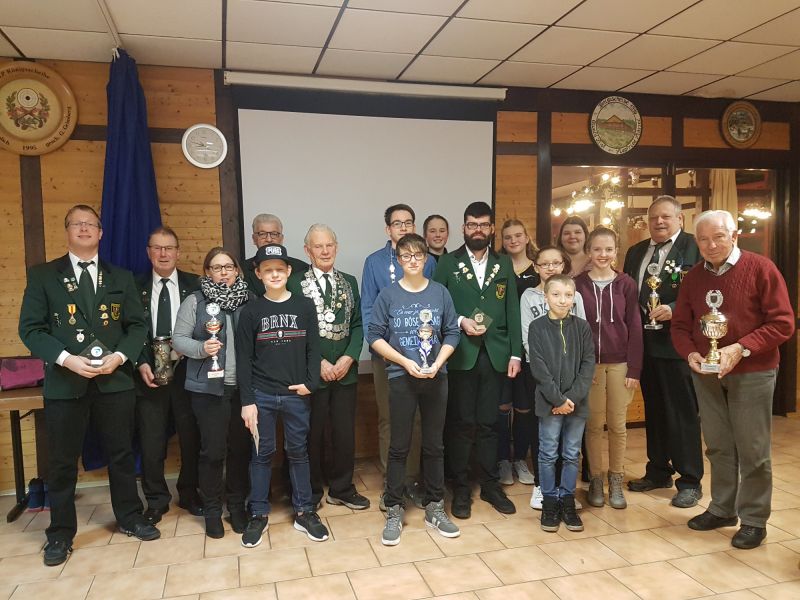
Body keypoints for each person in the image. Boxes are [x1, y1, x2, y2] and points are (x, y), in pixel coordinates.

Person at [19, 204, 159, 567]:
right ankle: (60, 533)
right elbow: (31, 329)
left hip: (115, 381)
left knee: (121, 455)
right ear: (67, 231)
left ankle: (130, 517)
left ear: (101, 233)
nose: (84, 228)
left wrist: (121, 357)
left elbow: (137, 325)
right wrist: (67, 359)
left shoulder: (121, 277)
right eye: (76, 223)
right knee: (62, 462)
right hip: (66, 383)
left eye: (90, 224)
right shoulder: (43, 275)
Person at [671, 210, 794, 550]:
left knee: (754, 450)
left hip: (752, 372)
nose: (711, 245)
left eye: (718, 237)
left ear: (734, 235)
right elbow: (680, 325)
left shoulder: (761, 268)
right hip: (707, 374)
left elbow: (783, 323)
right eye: (703, 239)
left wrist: (741, 348)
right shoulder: (693, 278)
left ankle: (754, 520)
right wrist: (691, 354)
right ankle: (723, 508)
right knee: (718, 445)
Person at [367, 233, 461, 545]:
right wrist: (404, 362)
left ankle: (435, 507)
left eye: (418, 255)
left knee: (434, 445)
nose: (412, 260)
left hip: (436, 377)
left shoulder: (440, 292)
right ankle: (394, 508)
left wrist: (438, 362)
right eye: (406, 255)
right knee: (399, 446)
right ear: (398, 260)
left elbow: (452, 332)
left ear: (426, 258)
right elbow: (374, 335)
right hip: (401, 378)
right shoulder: (388, 295)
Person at [237, 244, 329, 547]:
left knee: (298, 452)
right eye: (268, 270)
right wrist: (247, 401)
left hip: (296, 395)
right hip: (261, 395)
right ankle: (258, 513)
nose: (274, 274)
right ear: (258, 274)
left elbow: (314, 348)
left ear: (289, 271)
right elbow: (243, 359)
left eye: (279, 269)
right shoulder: (251, 311)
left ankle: (304, 511)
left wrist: (311, 384)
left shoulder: (305, 306)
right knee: (261, 454)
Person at [433, 201, 522, 518]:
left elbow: (512, 307)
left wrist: (515, 352)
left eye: (483, 225)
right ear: (464, 228)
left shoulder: (503, 263)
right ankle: (460, 487)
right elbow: (438, 304)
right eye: (472, 225)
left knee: (489, 422)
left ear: (492, 228)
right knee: (461, 423)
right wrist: (460, 321)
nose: (478, 230)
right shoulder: (448, 263)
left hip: (495, 354)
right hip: (461, 353)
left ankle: (489, 484)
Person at [622, 196, 704, 508]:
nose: (659, 222)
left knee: (682, 413)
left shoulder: (693, 247)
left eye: (666, 217)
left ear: (680, 219)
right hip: (644, 344)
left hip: (677, 345)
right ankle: (658, 470)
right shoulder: (636, 251)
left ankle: (690, 480)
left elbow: (703, 292)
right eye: (654, 217)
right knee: (654, 411)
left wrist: (673, 308)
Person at [172, 247, 253, 539]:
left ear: (236, 271)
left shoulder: (249, 300)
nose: (223, 272)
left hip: (242, 389)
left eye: (228, 267)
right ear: (207, 272)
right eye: (217, 268)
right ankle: (212, 511)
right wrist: (200, 348)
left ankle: (237, 506)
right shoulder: (195, 301)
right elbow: (178, 339)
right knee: (213, 452)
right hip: (208, 391)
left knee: (240, 450)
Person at [288, 224, 369, 510]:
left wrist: (349, 357)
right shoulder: (294, 283)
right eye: (318, 246)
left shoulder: (350, 282)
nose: (325, 251)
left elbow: (358, 324)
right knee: (312, 434)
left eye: (329, 245)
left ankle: (342, 488)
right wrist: (318, 362)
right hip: (312, 373)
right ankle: (309, 492)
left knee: (344, 434)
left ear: (336, 247)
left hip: (345, 373)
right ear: (307, 250)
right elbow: (294, 329)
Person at [361, 204, 436, 508]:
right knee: (388, 418)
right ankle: (391, 483)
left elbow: (434, 305)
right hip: (386, 355)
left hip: (420, 353)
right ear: (388, 229)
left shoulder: (428, 262)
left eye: (408, 222)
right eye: (397, 223)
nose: (403, 227)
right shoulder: (374, 262)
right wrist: (381, 347)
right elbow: (368, 308)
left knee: (416, 418)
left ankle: (412, 479)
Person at [135, 226, 202, 523]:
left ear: (178, 251)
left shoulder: (196, 284)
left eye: (169, 248)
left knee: (191, 438)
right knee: (151, 442)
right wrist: (140, 362)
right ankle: (156, 500)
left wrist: (193, 348)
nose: (163, 254)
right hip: (148, 374)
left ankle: (189, 493)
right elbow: (128, 329)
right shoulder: (133, 286)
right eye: (157, 248)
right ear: (148, 252)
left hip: (189, 372)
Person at [575, 227, 642, 510]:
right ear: (588, 252)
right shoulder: (577, 284)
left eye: (608, 249)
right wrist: (581, 366)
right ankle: (595, 479)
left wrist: (634, 369)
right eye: (597, 249)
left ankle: (615, 478)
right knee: (592, 425)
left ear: (616, 252)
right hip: (590, 366)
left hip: (620, 364)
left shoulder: (626, 284)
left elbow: (635, 326)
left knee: (617, 425)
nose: (603, 254)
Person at [520, 245, 586, 510]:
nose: (550, 268)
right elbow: (528, 342)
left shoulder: (575, 298)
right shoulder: (529, 298)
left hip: (572, 378)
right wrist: (554, 393)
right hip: (542, 377)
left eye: (556, 263)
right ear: (536, 267)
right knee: (545, 438)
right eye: (544, 264)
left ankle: (565, 491)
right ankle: (543, 488)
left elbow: (584, 345)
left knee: (569, 444)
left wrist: (570, 393)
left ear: (563, 265)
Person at [528, 275, 594, 533]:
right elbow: (539, 367)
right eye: (556, 295)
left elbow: (588, 365)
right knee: (547, 453)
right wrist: (557, 399)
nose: (562, 300)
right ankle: (549, 502)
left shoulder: (582, 327)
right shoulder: (537, 327)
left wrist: (571, 399)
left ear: (574, 298)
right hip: (549, 404)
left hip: (577, 404)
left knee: (571, 453)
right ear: (546, 297)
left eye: (568, 295)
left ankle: (567, 500)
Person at [496, 219, 539, 487]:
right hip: (503, 347)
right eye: (508, 237)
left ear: (526, 237)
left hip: (530, 350)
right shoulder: (497, 268)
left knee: (525, 408)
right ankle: (502, 459)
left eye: (518, 235)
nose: (513, 240)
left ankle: (520, 459)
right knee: (502, 406)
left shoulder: (538, 269)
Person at [243, 213, 308, 296]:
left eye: (274, 234)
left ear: (281, 238)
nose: (269, 239)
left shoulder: (301, 268)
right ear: (254, 239)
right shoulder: (242, 270)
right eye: (262, 234)